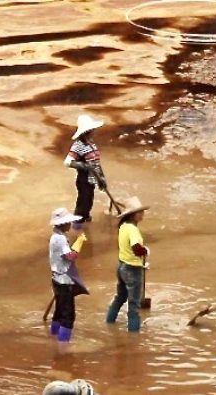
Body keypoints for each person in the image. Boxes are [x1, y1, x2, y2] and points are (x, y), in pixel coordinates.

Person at [105, 196, 151, 332]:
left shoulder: (123, 226)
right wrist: (146, 251)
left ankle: (109, 321)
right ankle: (133, 335)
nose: (142, 214)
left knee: (120, 297)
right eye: (139, 212)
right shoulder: (133, 230)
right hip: (132, 269)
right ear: (132, 215)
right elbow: (136, 248)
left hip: (121, 267)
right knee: (134, 305)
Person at [48, 208, 90, 343]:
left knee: (59, 311)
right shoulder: (60, 239)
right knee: (68, 316)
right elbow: (71, 257)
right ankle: (63, 345)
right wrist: (79, 243)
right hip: (64, 281)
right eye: (68, 222)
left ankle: (53, 335)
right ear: (63, 224)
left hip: (56, 279)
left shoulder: (55, 236)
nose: (70, 225)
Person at [64, 114, 108, 230]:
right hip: (83, 180)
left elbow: (96, 164)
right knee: (83, 202)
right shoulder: (78, 146)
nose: (93, 131)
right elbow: (68, 162)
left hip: (92, 179)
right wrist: (84, 166)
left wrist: (101, 179)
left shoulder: (91, 144)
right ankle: (77, 225)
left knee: (89, 200)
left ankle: (86, 221)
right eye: (91, 130)